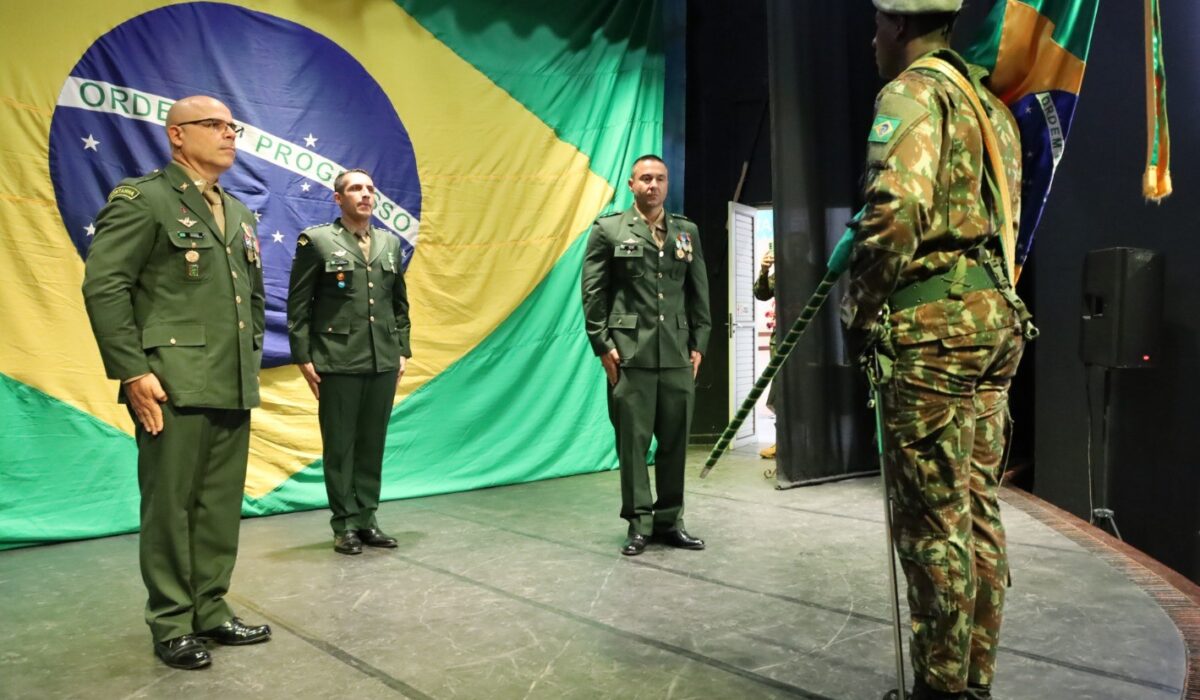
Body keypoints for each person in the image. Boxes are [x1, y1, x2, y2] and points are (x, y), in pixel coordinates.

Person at [841, 2, 1035, 698]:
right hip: (991, 323)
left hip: (935, 334)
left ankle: (939, 690)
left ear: (898, 27)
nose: (872, 40)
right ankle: (972, 684)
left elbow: (895, 211)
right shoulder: (992, 109)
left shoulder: (912, 92)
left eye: (876, 26)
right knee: (976, 513)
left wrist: (861, 310)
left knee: (932, 524)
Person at [82, 95, 271, 670]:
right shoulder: (144, 200)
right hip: (172, 381)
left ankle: (210, 609)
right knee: (171, 506)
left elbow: (250, 299)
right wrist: (133, 370)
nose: (228, 134)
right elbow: (105, 286)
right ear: (177, 135)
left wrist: (250, 359)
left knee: (218, 506)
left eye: (232, 126)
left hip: (231, 379)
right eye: (214, 125)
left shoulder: (238, 213)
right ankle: (171, 622)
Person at [581, 154, 712, 556]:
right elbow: (593, 292)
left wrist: (699, 343)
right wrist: (603, 345)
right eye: (645, 179)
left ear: (667, 184)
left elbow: (698, 291)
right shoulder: (609, 230)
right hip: (629, 355)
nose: (653, 185)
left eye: (659, 179)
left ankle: (670, 521)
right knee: (633, 446)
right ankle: (639, 524)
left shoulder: (686, 231)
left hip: (676, 354)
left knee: (675, 443)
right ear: (632, 185)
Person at [287, 169, 411, 555]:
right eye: (356, 189)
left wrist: (402, 349)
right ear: (338, 199)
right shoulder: (318, 241)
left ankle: (367, 519)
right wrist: (303, 356)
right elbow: (299, 305)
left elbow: (398, 303)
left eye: (370, 189)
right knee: (340, 445)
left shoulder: (390, 243)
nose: (365, 194)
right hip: (337, 358)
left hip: (382, 358)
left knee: (371, 444)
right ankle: (344, 525)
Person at [753, 248, 777, 459]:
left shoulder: (813, 269)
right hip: (783, 339)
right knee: (780, 389)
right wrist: (764, 270)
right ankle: (782, 442)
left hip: (812, 338)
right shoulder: (783, 274)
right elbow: (761, 293)